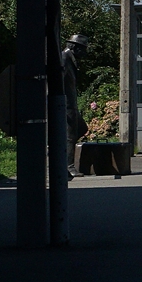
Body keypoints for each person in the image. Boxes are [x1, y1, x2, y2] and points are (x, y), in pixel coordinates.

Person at [61, 34, 90, 178]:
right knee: (70, 136)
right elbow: (55, 82)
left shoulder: (70, 59)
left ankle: (60, 155)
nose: (84, 53)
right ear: (73, 47)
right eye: (82, 49)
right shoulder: (64, 58)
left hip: (71, 104)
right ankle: (68, 166)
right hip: (65, 105)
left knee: (81, 129)